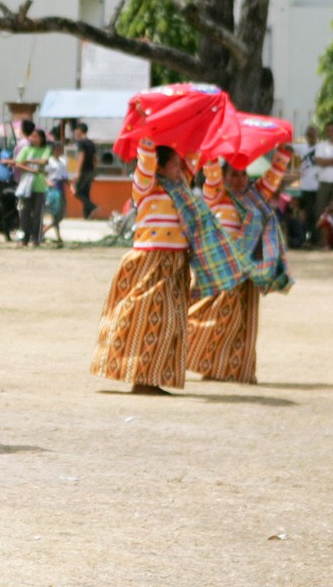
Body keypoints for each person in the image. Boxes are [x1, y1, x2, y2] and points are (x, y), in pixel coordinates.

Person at [92, 139, 246, 396]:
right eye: (174, 164)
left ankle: (152, 378)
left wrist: (202, 137)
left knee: (170, 324)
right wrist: (148, 139)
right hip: (151, 260)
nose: (179, 168)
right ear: (159, 167)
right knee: (148, 318)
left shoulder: (182, 187)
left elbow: (195, 159)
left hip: (175, 262)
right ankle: (142, 380)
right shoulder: (146, 187)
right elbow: (145, 164)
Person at [185, 149, 293, 384]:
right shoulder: (216, 195)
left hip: (246, 273)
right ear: (223, 177)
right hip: (219, 271)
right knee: (212, 320)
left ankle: (231, 370)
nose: (239, 179)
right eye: (233, 174)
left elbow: (272, 178)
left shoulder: (255, 197)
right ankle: (189, 353)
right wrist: (211, 150)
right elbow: (211, 170)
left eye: (243, 174)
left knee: (241, 326)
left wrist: (284, 153)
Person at [13, 126, 50, 247]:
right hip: (26, 187)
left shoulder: (46, 149)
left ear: (42, 138)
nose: (33, 139)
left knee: (38, 214)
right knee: (24, 213)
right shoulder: (26, 149)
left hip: (40, 187)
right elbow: (18, 163)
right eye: (32, 137)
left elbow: (44, 161)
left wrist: (29, 161)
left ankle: (35, 239)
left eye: (36, 137)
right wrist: (31, 169)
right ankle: (23, 238)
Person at [72, 123, 99, 219]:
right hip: (90, 170)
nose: (75, 132)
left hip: (83, 170)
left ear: (80, 130)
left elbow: (81, 156)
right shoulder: (91, 143)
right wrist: (94, 171)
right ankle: (87, 215)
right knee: (85, 193)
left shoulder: (81, 143)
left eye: (76, 130)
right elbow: (95, 158)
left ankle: (93, 207)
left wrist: (77, 172)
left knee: (77, 192)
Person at [44, 142, 69, 243]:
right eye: (58, 149)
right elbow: (43, 174)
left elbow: (64, 175)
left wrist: (70, 185)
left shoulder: (63, 161)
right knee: (55, 213)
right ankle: (50, 233)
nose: (60, 151)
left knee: (60, 213)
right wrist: (47, 182)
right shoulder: (49, 161)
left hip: (60, 187)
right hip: (52, 188)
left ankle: (46, 230)